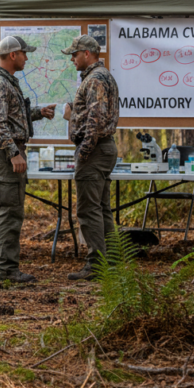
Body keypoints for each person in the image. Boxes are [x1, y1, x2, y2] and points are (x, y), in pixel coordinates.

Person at [0, 36, 57, 283]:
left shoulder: (5, 82)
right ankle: (7, 271)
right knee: (9, 212)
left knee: (2, 209)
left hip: (4, 151)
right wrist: (13, 153)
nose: (27, 57)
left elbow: (10, 117)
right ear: (13, 55)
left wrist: (37, 114)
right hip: (4, 154)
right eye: (24, 53)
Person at [61, 34, 120, 281]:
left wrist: (83, 153)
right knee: (101, 209)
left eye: (75, 54)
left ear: (88, 53)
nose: (72, 58)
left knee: (88, 211)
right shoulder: (101, 77)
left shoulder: (95, 79)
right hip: (103, 149)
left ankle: (96, 265)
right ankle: (113, 262)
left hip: (95, 151)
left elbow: (95, 120)